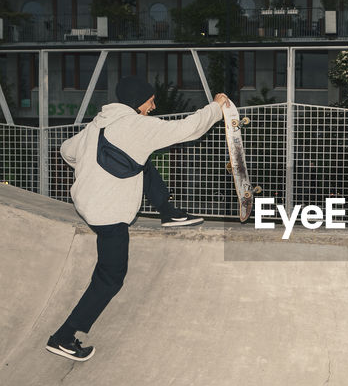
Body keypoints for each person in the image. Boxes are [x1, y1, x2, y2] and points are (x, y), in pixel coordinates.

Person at [45, 77, 229, 361]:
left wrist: (88, 167)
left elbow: (66, 150)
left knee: (142, 161)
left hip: (87, 203)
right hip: (108, 214)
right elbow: (187, 129)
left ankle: (168, 212)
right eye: (150, 101)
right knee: (110, 277)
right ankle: (64, 337)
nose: (152, 107)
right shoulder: (135, 125)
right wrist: (215, 108)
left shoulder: (98, 124)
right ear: (137, 101)